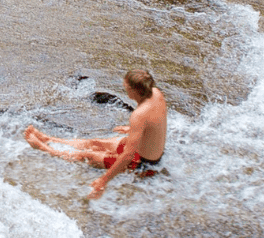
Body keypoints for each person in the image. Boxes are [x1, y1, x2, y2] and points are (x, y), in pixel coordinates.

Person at [24, 69, 167, 201]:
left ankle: (44, 148)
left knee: (88, 156)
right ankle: (49, 138)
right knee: (95, 142)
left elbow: (127, 156)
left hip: (143, 165)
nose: (125, 91)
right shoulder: (156, 93)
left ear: (135, 91)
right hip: (145, 147)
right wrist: (134, 129)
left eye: (126, 88)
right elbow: (156, 120)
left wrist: (103, 181)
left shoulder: (139, 115)